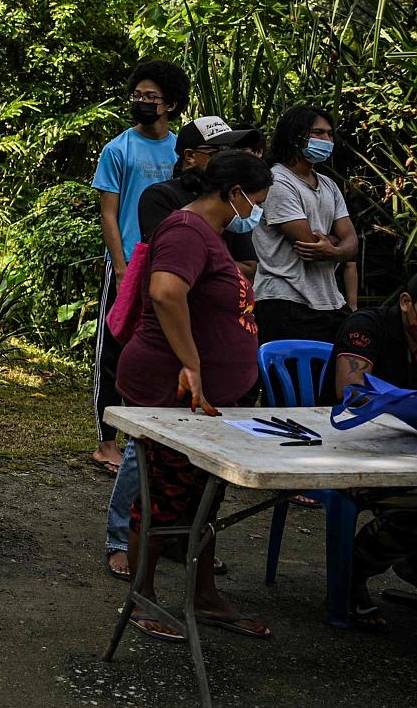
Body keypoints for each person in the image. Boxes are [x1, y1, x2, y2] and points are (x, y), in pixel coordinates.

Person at [116, 150, 274, 642]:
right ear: (234, 194)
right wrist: (192, 362)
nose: (257, 210)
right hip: (171, 391)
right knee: (163, 496)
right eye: (259, 200)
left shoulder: (211, 235)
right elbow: (165, 291)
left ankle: (203, 597)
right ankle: (144, 598)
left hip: (209, 398)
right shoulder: (185, 231)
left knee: (202, 499)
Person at [90, 60, 189, 475]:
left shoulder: (183, 149)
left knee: (162, 347)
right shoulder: (118, 149)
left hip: (173, 263)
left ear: (171, 104)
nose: (143, 103)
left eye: (152, 97)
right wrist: (120, 263)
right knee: (114, 348)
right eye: (138, 96)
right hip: (130, 263)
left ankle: (155, 433)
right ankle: (106, 442)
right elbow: (109, 214)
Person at [322, 271, 417, 628]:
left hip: (403, 451)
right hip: (348, 451)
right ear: (407, 304)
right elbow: (350, 392)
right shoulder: (367, 325)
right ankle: (351, 574)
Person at [252, 105, 358, 346]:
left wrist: (336, 248)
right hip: (284, 299)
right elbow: (309, 245)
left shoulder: (329, 184)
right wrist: (336, 241)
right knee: (291, 381)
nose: (327, 140)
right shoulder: (277, 181)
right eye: (318, 133)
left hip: (329, 300)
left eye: (330, 134)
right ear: (295, 136)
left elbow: (352, 241)